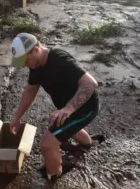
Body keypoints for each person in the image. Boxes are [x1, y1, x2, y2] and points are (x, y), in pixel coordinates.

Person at [9, 33, 100, 180]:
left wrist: (68, 109)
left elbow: (90, 83)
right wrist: (17, 118)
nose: (25, 65)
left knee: (47, 143)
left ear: (36, 50)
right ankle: (89, 145)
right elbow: (30, 90)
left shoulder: (60, 60)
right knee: (69, 128)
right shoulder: (36, 65)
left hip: (85, 108)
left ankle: (53, 176)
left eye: (26, 60)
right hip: (68, 110)